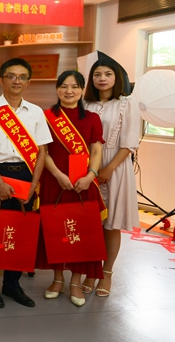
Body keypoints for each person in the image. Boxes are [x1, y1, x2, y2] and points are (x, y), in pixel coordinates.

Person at [0, 58, 52, 308]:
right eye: (11, 76)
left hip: (25, 175)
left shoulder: (36, 112)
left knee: (19, 233)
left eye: (22, 77)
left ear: (28, 82)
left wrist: (33, 185)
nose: (16, 81)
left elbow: (42, 152)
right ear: (1, 80)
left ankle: (12, 285)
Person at [38, 70, 105, 307]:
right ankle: (57, 279)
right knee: (56, 229)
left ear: (82, 90)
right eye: (64, 86)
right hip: (54, 179)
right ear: (57, 89)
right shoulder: (46, 117)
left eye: (75, 86)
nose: (69, 91)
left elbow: (96, 150)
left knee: (81, 232)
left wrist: (90, 175)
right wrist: (58, 175)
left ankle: (76, 282)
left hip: (82, 183)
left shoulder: (93, 118)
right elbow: (43, 151)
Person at [81, 59, 140, 297]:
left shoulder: (127, 103)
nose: (102, 78)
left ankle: (107, 273)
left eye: (108, 74)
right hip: (87, 167)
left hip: (115, 166)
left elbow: (130, 142)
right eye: (97, 74)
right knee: (90, 223)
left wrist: (108, 169)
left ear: (117, 78)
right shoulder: (85, 103)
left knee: (111, 223)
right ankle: (90, 270)